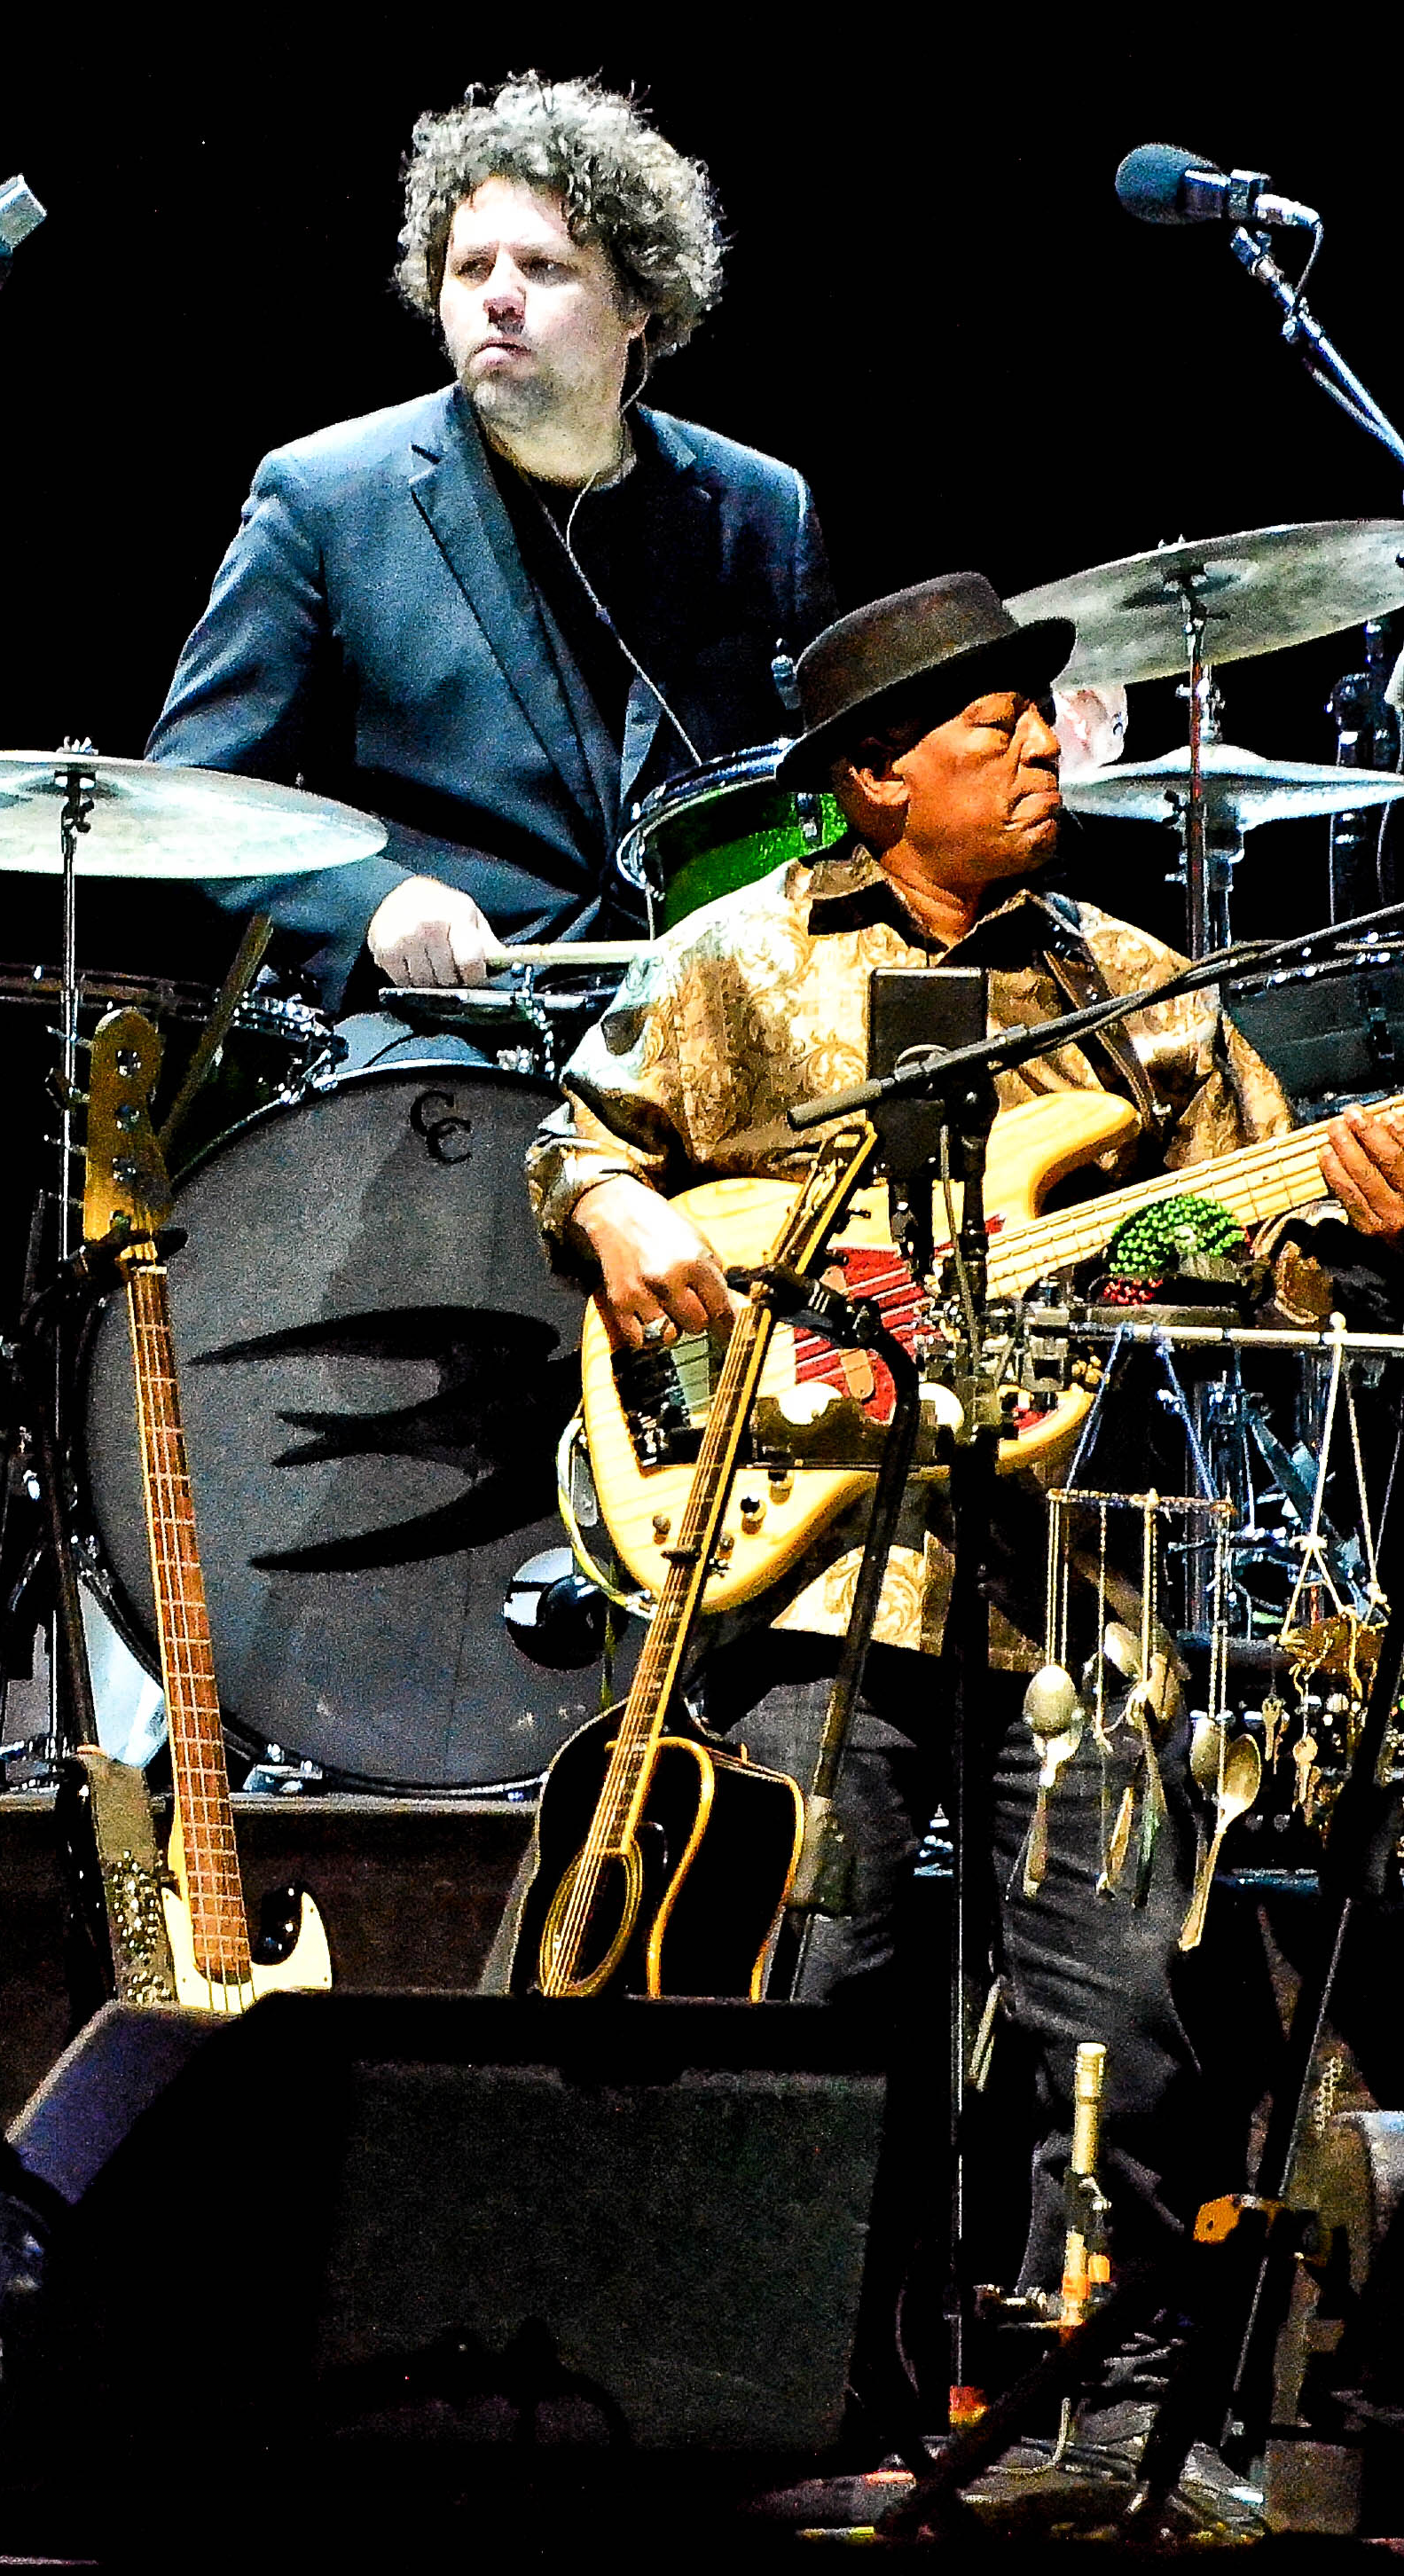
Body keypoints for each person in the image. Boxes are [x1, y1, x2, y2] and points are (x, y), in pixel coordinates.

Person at [531, 572, 1404, 2409]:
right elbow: (575, 1143)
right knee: (798, 1969)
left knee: (1127, 2006)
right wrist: (611, 1208)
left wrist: (1338, 1211)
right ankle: (768, 2393)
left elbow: (1257, 1256)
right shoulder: (734, 959)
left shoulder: (1133, 990)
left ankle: (1107, 2407)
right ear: (871, 776)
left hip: (1072, 1575)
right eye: (987, 729)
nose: (1034, 753)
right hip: (808, 1564)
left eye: (1033, 725)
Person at [145, 74, 830, 1014]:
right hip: (436, 1030)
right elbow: (190, 797)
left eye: (542, 267)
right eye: (470, 269)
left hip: (702, 1020)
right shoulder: (325, 497)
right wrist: (375, 905)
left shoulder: (758, 508)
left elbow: (828, 790)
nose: (498, 297)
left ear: (636, 303)